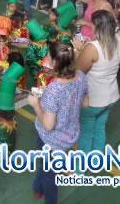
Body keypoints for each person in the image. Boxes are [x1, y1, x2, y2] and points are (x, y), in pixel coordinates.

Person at [27, 42, 88, 204]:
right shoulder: (81, 76)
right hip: (70, 134)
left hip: (51, 140)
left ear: (54, 62)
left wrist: (36, 105)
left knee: (49, 175)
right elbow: (85, 104)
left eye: (48, 55)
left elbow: (48, 125)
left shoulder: (54, 90)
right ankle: (37, 188)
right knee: (46, 165)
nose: (46, 58)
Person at [74, 10, 120, 154]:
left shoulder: (92, 48)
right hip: (111, 96)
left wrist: (78, 51)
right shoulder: (119, 40)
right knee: (100, 127)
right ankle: (96, 160)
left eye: (92, 25)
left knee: (86, 132)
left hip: (92, 100)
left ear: (98, 27)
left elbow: (77, 72)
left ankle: (79, 170)